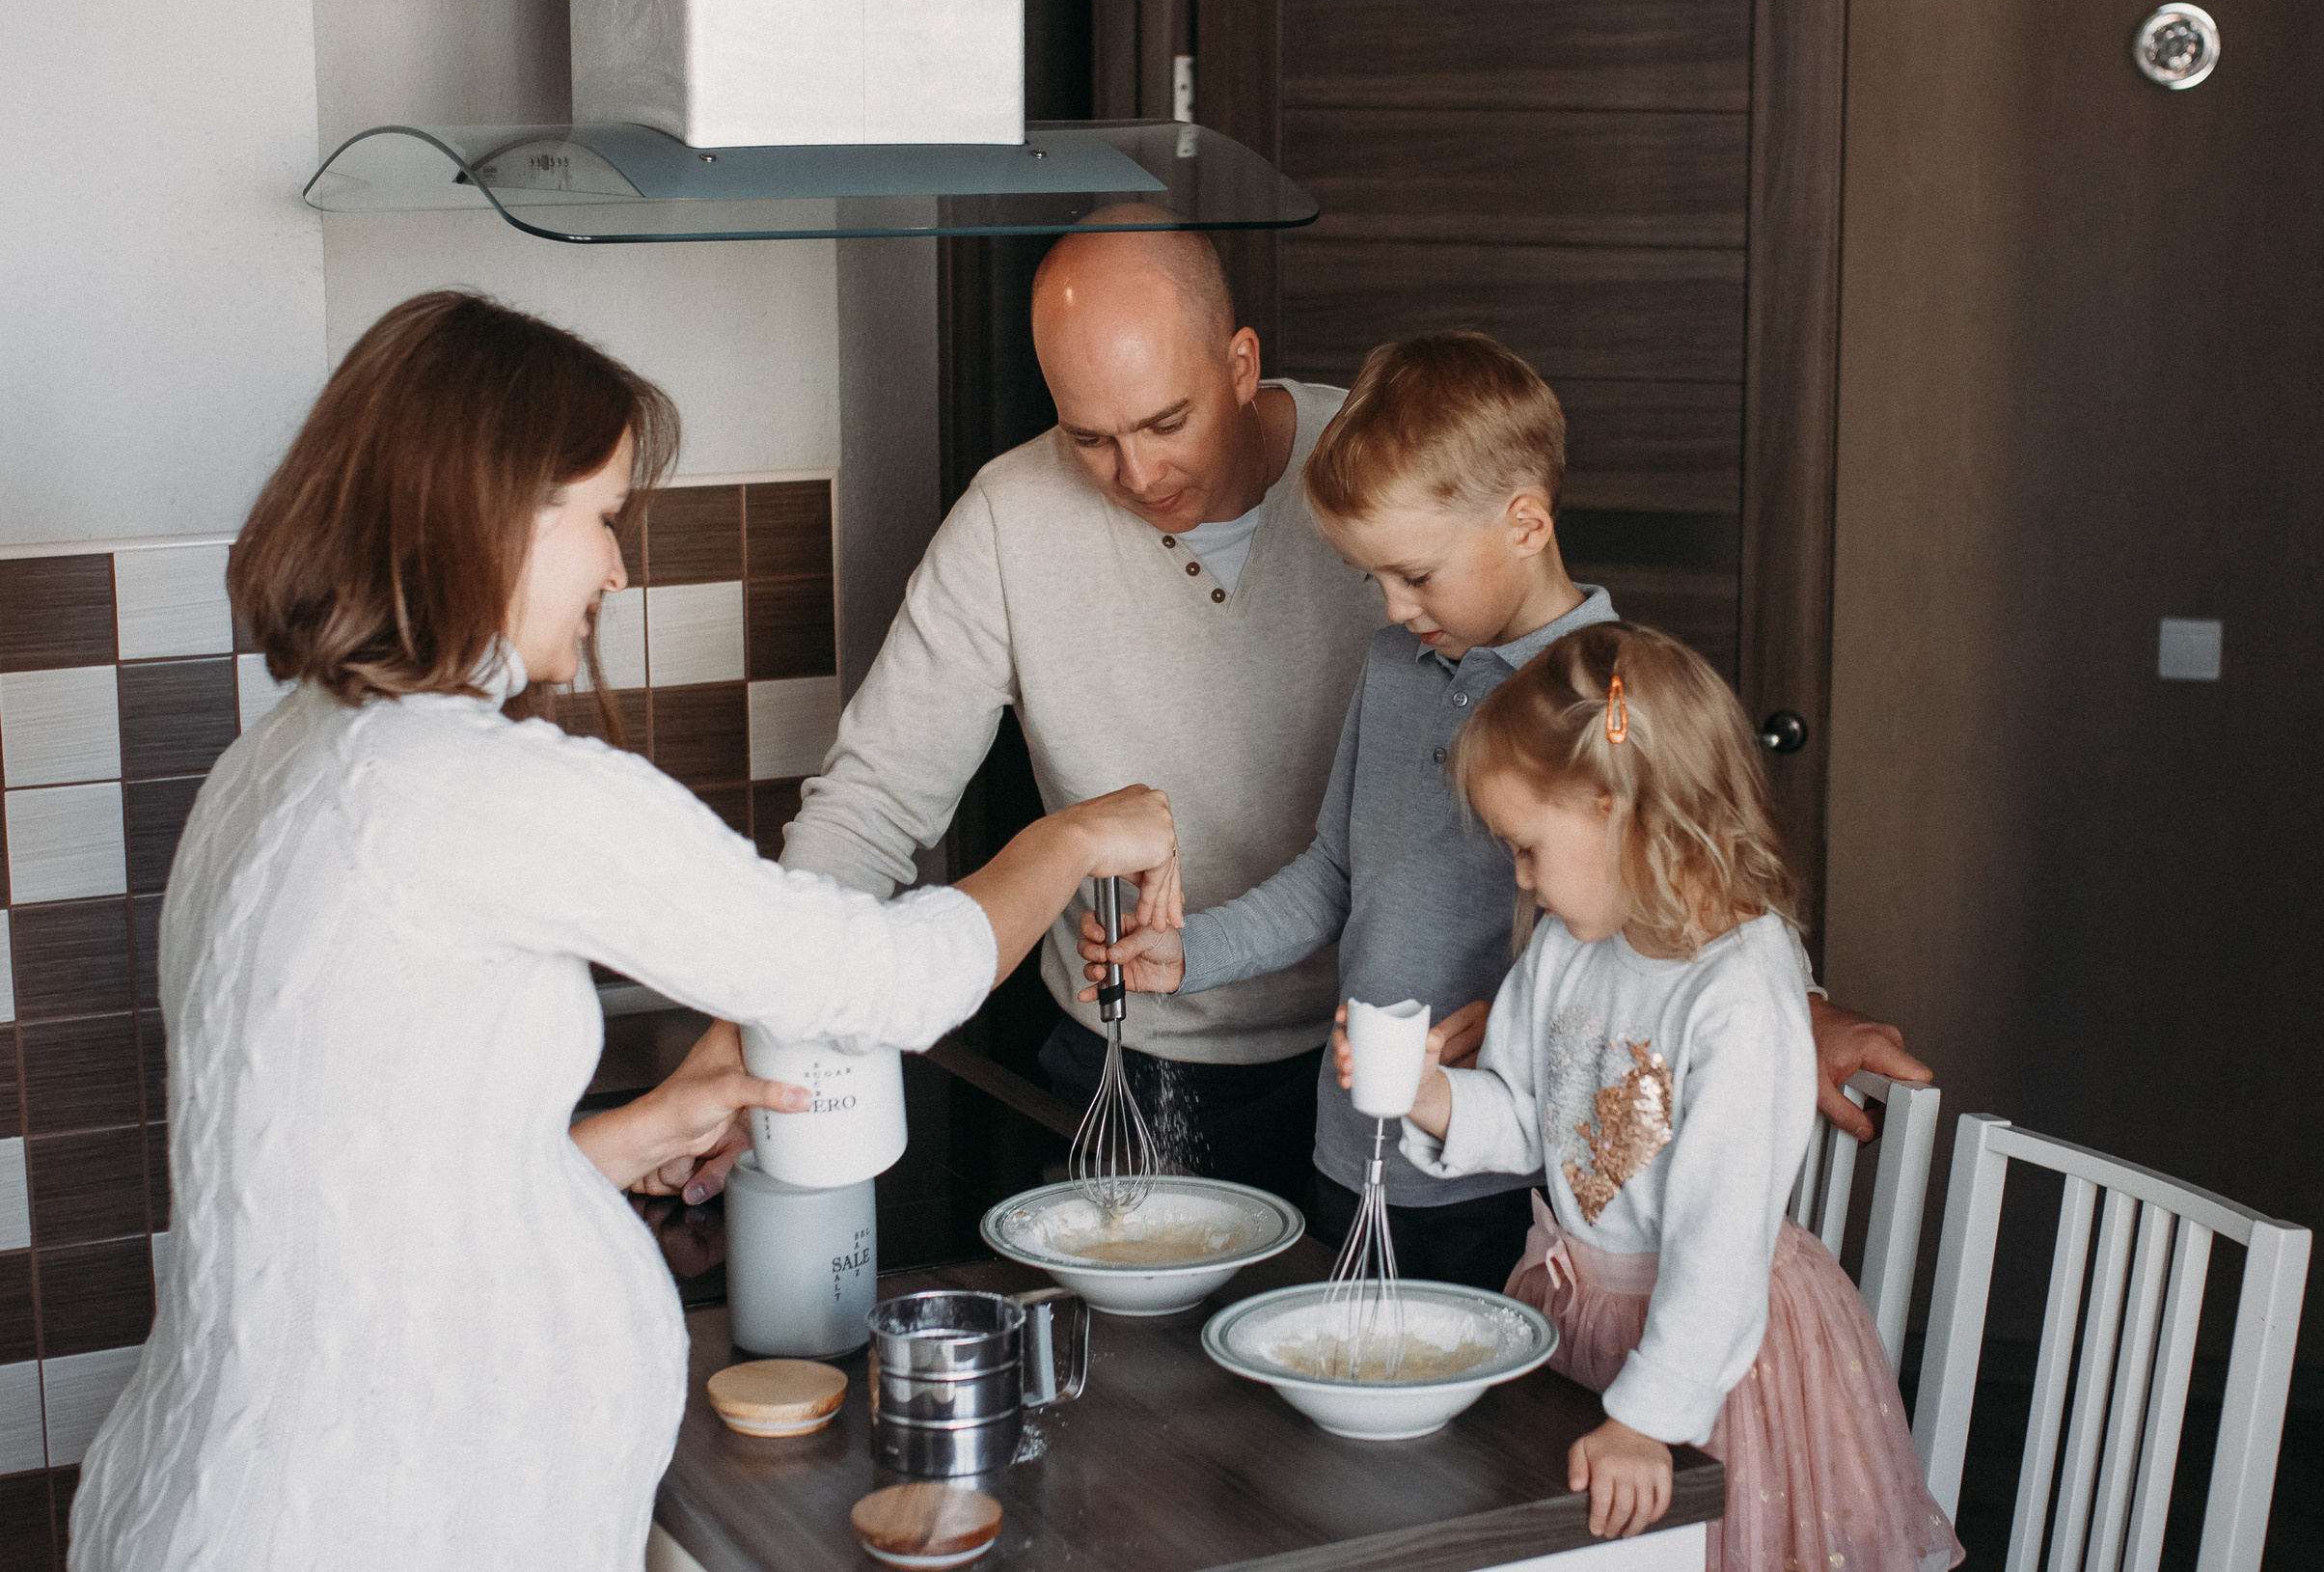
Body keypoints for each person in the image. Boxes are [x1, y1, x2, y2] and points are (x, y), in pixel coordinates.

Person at [68, 291, 1181, 1572]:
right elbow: (884, 979)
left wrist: (610, 1146)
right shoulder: (469, 783)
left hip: (212, 1495)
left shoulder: (271, 764)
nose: (616, 567)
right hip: (379, 1516)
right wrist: (1072, 839)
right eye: (600, 517)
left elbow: (343, 1193)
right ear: (488, 513)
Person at [1077, 333, 1841, 1290]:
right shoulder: (1392, 670)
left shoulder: (1608, 702)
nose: (1395, 608)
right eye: (1374, 578)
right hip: (1351, 1149)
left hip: (1502, 1169)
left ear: (1525, 523)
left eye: (1418, 575)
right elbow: (1333, 879)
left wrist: (1796, 1005)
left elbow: (1693, 903)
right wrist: (1194, 951)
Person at [780, 222, 1385, 1204]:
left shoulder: (1379, 468)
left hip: (1376, 1049)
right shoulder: (1009, 518)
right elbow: (870, 807)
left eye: (1165, 423)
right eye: (1090, 439)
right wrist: (779, 994)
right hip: (1128, 1061)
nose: (1138, 476)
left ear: (1241, 365)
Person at [1337, 621, 1960, 1569]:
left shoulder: (1738, 994)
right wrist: (1428, 1096)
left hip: (1713, 1353)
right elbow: (1527, 1117)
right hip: (1587, 1319)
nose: (1520, 878)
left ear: (1618, 811)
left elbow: (1718, 1244)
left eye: (1528, 848)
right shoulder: (1565, 947)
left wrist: (1645, 1421)